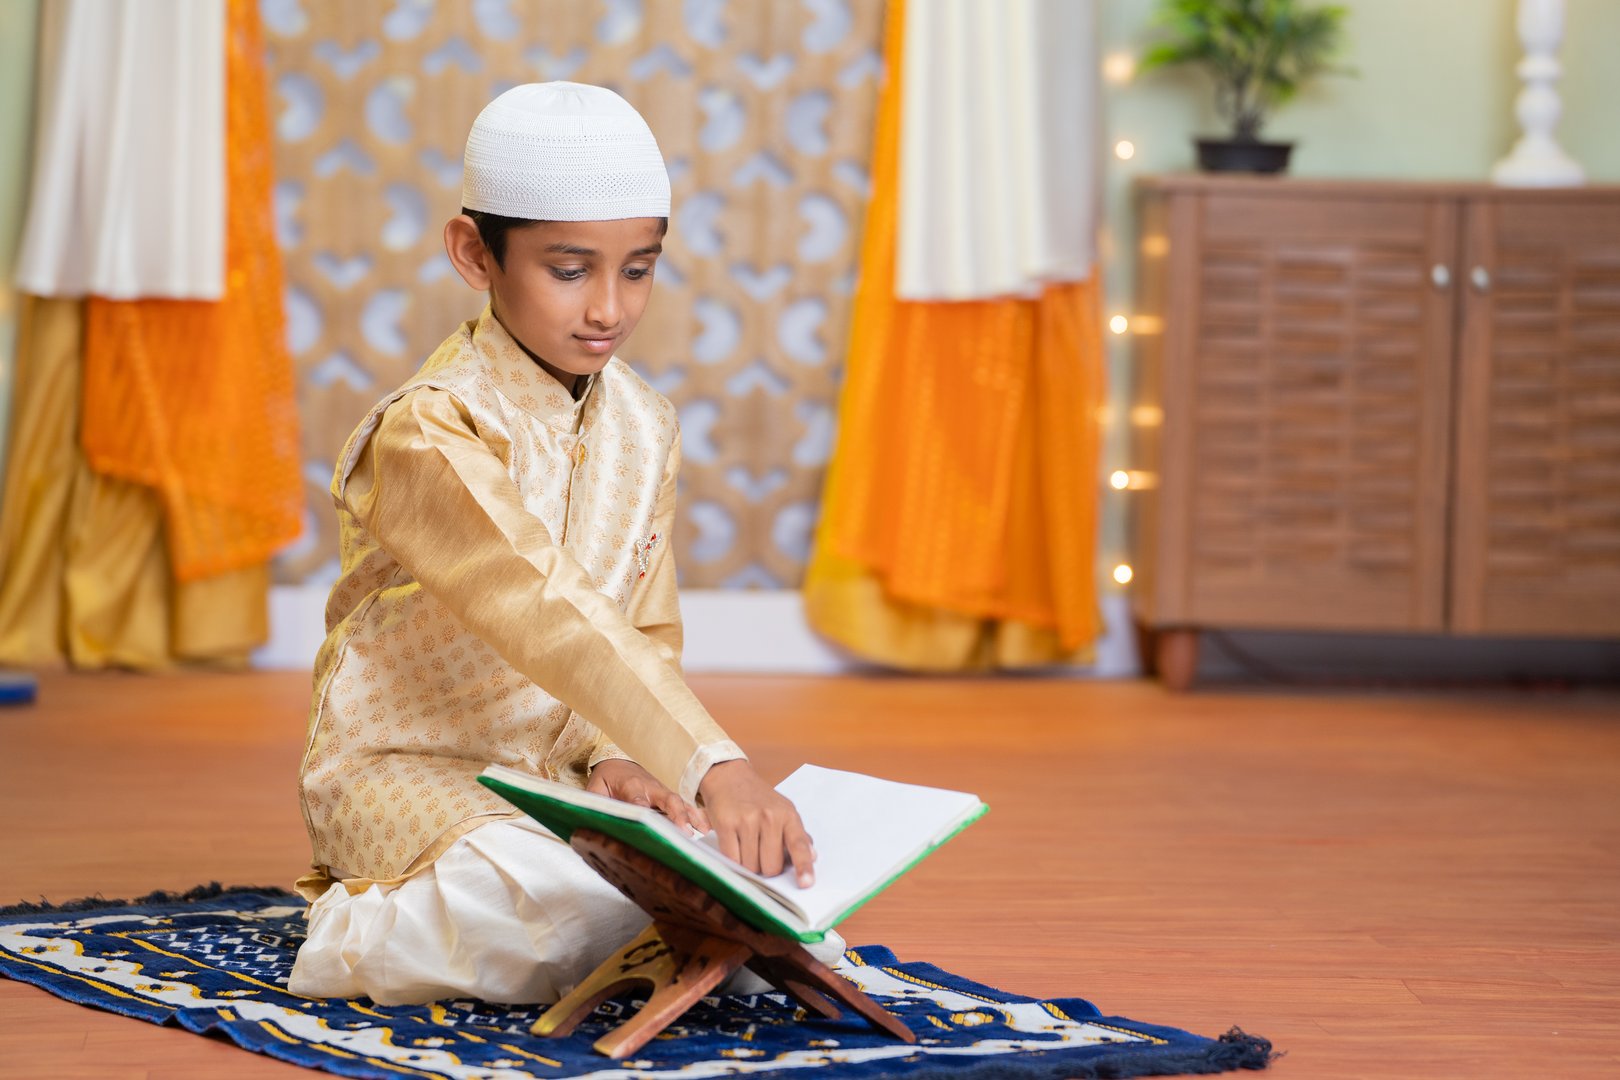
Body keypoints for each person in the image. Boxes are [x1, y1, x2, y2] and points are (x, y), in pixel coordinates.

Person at [289, 82, 837, 1005]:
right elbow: (545, 605)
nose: (610, 309)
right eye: (571, 269)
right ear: (476, 253)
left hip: (569, 777)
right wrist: (717, 764)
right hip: (411, 769)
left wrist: (632, 763)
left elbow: (642, 631)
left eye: (640, 269)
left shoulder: (645, 423)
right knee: (562, 915)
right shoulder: (429, 429)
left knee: (751, 898)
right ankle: (351, 928)